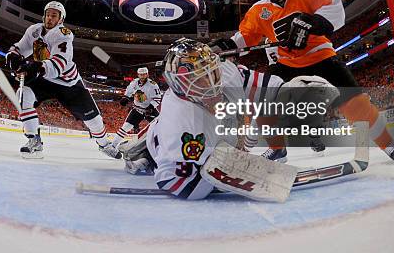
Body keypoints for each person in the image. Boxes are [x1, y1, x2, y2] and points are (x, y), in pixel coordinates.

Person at [209, 0, 394, 161]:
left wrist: (312, 22)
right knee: (263, 102)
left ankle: (388, 143)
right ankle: (277, 149)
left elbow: (335, 7)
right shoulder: (259, 10)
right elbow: (246, 36)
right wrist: (227, 46)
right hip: (286, 63)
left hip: (321, 56)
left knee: (354, 102)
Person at [121, 38, 337, 200]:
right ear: (179, 85)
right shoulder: (184, 123)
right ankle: (147, 157)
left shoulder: (226, 72)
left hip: (211, 139)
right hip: (177, 151)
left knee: (240, 126)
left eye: (211, 72)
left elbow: (270, 89)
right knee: (220, 145)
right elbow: (177, 183)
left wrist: (297, 94)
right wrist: (227, 176)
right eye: (199, 79)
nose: (211, 82)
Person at [5, 1, 121, 159]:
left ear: (61, 19)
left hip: (68, 82)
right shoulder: (34, 31)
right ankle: (34, 140)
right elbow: (20, 47)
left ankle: (104, 144)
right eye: (48, 14)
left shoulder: (63, 34)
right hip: (45, 78)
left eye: (54, 15)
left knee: (94, 120)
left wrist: (36, 68)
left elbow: (60, 63)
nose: (49, 18)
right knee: (23, 94)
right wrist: (13, 56)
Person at [111, 67, 161, 149]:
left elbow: (157, 98)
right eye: (141, 75)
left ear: (147, 74)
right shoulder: (134, 82)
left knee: (159, 127)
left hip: (150, 110)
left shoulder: (153, 85)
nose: (142, 76)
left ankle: (162, 146)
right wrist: (126, 97)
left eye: (144, 74)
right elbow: (129, 90)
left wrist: (151, 107)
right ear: (138, 75)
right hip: (137, 109)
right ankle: (113, 146)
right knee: (125, 127)